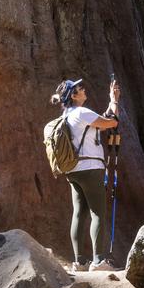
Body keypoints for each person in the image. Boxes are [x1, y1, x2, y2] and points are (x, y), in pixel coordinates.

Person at [51, 78, 120, 273]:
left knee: (79, 214)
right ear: (74, 95)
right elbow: (112, 122)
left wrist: (111, 102)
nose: (84, 89)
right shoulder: (82, 112)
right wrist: (114, 100)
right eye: (80, 88)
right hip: (90, 168)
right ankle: (98, 261)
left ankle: (80, 262)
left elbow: (102, 121)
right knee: (98, 212)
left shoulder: (67, 115)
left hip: (73, 170)